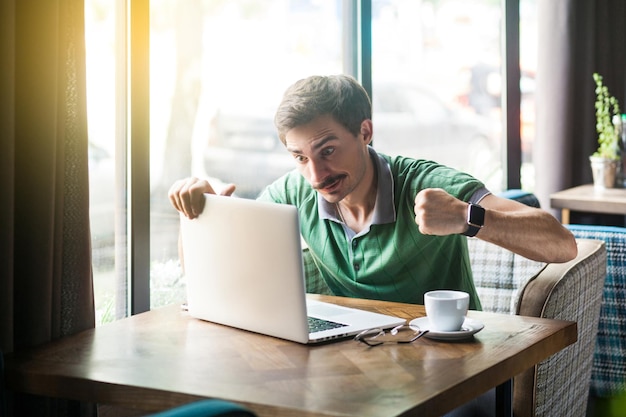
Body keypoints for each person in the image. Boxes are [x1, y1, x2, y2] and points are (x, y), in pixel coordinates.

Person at [169, 74, 577, 312]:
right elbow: (206, 281)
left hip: (448, 364)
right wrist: (202, 214)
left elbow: (562, 245)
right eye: (300, 157)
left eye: (327, 151)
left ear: (365, 132)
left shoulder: (424, 183)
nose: (316, 174)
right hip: (352, 363)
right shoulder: (294, 191)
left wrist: (466, 219)